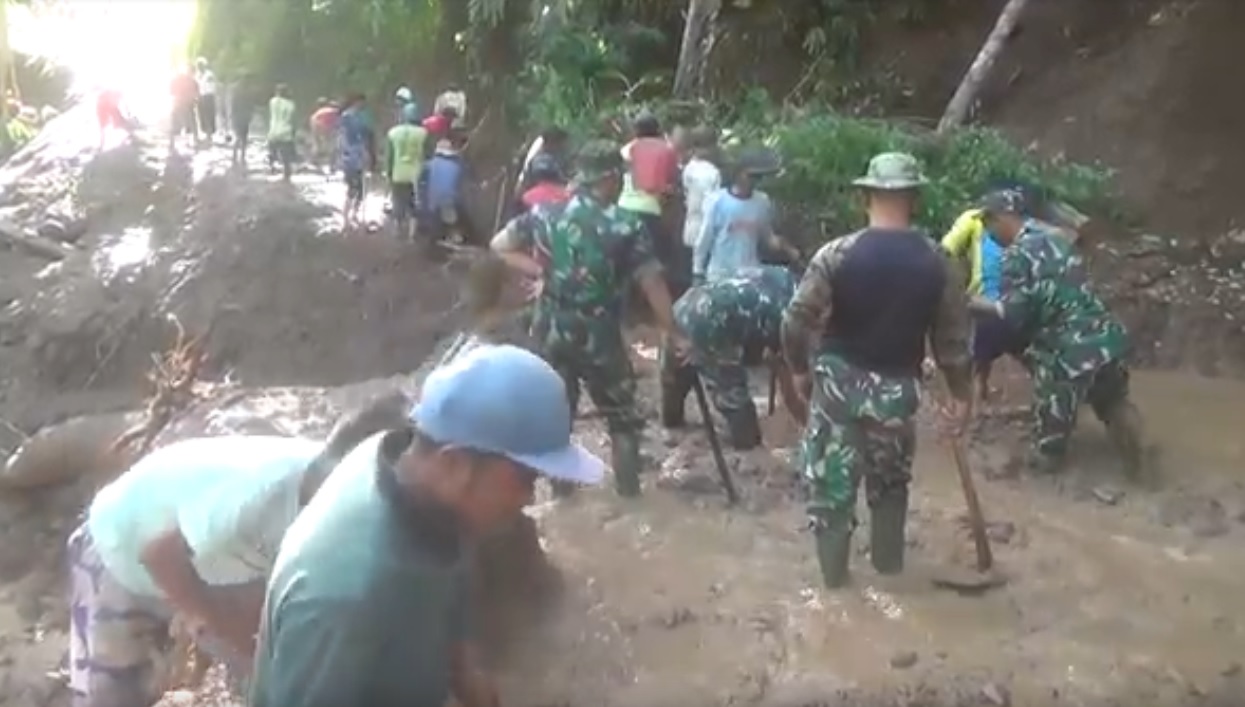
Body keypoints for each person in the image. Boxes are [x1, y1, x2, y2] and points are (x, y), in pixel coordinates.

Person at [250, 345, 603, 707]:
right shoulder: (346, 598)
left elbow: (452, 564)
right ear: (453, 465)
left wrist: (467, 672)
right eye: (526, 478)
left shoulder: (404, 470)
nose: (529, 498)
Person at [66, 398, 407, 707]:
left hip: (216, 562)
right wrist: (216, 624)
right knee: (110, 697)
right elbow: (159, 552)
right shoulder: (249, 506)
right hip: (120, 551)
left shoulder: (353, 484)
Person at [781, 152, 973, 589]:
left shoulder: (836, 255)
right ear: (915, 199)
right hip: (896, 391)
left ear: (865, 196)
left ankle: (836, 587)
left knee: (831, 488)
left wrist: (797, 369)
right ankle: (890, 574)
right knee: (889, 485)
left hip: (837, 386)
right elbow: (952, 342)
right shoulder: (939, 261)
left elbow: (796, 318)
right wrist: (961, 396)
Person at [490, 141, 691, 498]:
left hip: (551, 328)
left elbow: (499, 246)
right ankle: (630, 498)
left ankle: (562, 500)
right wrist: (673, 332)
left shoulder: (544, 214)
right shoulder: (624, 224)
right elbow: (652, 284)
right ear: (611, 178)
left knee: (557, 417)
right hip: (599, 336)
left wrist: (542, 272)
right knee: (622, 420)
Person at [969, 189, 1145, 478]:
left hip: (1068, 351)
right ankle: (1142, 470)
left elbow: (1012, 315)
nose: (988, 232)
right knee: (1114, 403)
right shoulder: (1057, 238)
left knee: (1049, 444)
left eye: (988, 223)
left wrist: (969, 304)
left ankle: (1047, 477)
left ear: (1001, 218)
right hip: (1105, 337)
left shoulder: (1014, 256)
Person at [662, 265, 805, 450]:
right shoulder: (792, 318)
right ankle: (748, 444)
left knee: (674, 375)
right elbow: (789, 388)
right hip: (711, 322)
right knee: (733, 396)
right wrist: (806, 422)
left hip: (686, 304)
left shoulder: (785, 276)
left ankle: (670, 424)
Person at [941, 196, 1030, 402]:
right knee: (977, 351)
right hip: (984, 298)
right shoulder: (973, 220)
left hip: (1017, 300)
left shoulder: (1025, 230)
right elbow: (946, 250)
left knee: (1029, 350)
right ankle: (975, 393)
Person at [694, 147, 800, 284]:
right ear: (738, 173)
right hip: (720, 275)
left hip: (750, 276)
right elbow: (705, 238)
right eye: (751, 176)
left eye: (759, 177)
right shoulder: (717, 201)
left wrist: (788, 249)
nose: (754, 181)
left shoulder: (762, 201)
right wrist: (697, 271)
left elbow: (767, 237)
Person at [386, 102, 429, 241]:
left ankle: (397, 231)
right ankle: (412, 236)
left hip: (397, 174)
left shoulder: (392, 133)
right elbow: (427, 155)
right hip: (416, 175)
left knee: (398, 203)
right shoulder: (424, 133)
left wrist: (388, 173)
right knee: (414, 206)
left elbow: (389, 157)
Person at [420, 134, 473, 244]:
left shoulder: (429, 164)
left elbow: (421, 180)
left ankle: (441, 236)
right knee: (453, 218)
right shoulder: (458, 165)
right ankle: (455, 236)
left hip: (433, 203)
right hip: (452, 201)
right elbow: (465, 184)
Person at [680, 125, 721, 255]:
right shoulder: (713, 172)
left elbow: (685, 191)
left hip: (691, 225)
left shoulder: (688, 168)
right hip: (708, 229)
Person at [338, 93, 375, 232]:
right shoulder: (347, 117)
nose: (363, 106)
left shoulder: (358, 117)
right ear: (356, 102)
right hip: (350, 157)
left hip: (358, 156)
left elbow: (364, 136)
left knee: (360, 189)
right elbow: (345, 138)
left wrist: (365, 153)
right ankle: (346, 218)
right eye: (362, 103)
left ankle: (354, 214)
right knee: (352, 188)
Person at [266, 84, 296, 182]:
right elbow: (292, 119)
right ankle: (286, 175)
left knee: (272, 151)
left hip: (273, 130)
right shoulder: (291, 104)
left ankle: (272, 167)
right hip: (285, 131)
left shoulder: (272, 101)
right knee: (286, 157)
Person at [229, 74, 259, 166]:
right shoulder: (249, 90)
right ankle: (242, 156)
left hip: (238, 116)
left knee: (238, 136)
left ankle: (235, 155)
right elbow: (252, 104)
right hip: (245, 117)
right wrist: (251, 114)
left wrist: (232, 114)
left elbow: (233, 103)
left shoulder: (236, 89)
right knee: (244, 137)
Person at [168, 66, 199, 150]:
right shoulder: (192, 81)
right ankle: (195, 141)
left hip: (178, 104)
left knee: (175, 125)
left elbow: (171, 92)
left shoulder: (175, 80)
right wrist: (194, 100)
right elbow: (196, 93)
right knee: (192, 124)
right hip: (188, 105)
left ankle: (172, 143)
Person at [95, 86, 133, 150]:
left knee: (117, 122)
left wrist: (128, 114)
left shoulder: (115, 95)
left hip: (107, 107)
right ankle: (101, 144)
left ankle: (130, 133)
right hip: (104, 107)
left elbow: (124, 104)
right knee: (104, 126)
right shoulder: (109, 95)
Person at [309, 98, 340, 174]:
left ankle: (316, 165)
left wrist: (316, 136)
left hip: (320, 130)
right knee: (333, 149)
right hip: (331, 131)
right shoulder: (333, 111)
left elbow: (313, 123)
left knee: (318, 148)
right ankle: (332, 166)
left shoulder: (317, 113)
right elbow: (339, 122)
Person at [194, 57, 219, 143]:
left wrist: (208, 95)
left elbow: (212, 87)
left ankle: (209, 135)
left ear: (204, 65)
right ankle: (205, 133)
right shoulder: (197, 75)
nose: (199, 67)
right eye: (198, 66)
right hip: (200, 97)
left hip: (208, 96)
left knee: (209, 116)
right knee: (202, 116)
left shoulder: (209, 74)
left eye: (201, 65)